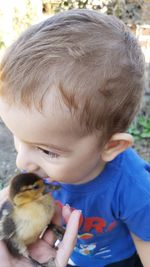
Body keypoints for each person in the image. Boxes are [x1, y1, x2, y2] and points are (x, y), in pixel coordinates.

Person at [0, 8, 149, 267]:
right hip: (67, 254)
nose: (23, 162)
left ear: (110, 146)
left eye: (47, 151)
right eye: (18, 137)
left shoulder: (135, 188)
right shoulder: (42, 174)